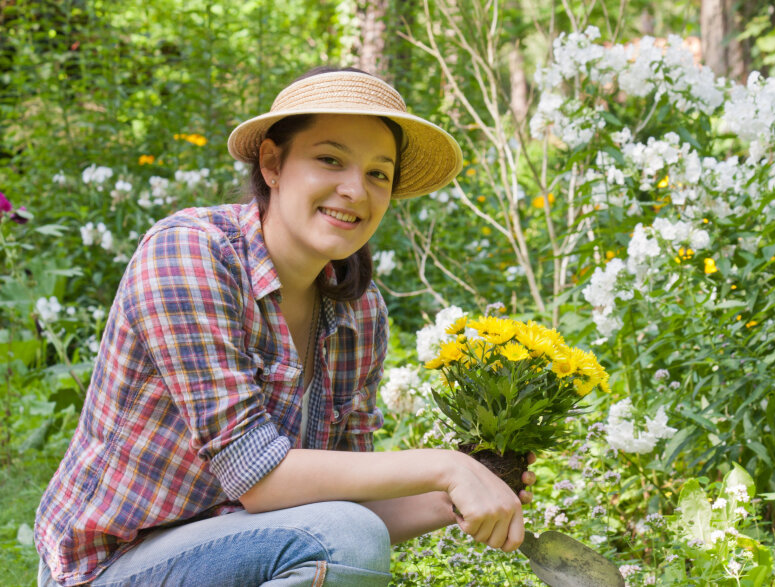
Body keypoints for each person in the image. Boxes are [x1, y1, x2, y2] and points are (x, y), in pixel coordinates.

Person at [34, 67, 535, 587]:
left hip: (234, 551)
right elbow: (256, 474)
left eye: (377, 174)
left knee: (349, 529)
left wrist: (462, 491)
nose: (354, 190)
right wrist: (446, 466)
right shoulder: (189, 253)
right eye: (330, 159)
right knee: (346, 535)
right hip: (107, 568)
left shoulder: (360, 315)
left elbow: (342, 508)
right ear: (272, 163)